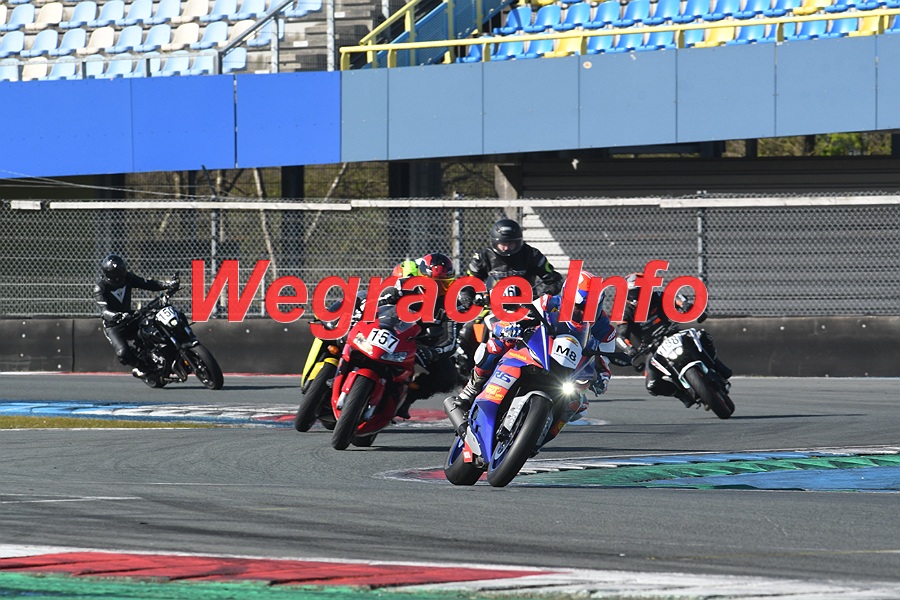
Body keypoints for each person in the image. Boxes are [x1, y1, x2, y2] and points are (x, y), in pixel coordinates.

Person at [445, 270, 615, 429]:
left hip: (569, 371)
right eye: (579, 306)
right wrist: (511, 327)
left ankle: (541, 434)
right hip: (540, 353)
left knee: (578, 405)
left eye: (590, 308)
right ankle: (472, 389)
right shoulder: (548, 303)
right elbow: (522, 316)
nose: (583, 312)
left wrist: (603, 378)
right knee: (496, 345)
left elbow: (604, 361)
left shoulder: (606, 329)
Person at [455, 217, 565, 379]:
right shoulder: (483, 256)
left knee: (551, 330)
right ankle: (467, 370)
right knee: (466, 329)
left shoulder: (532, 254)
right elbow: (469, 281)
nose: (507, 247)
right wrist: (468, 296)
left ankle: (549, 370)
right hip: (491, 307)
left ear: (519, 241)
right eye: (503, 244)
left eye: (511, 243)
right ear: (494, 242)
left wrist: (543, 296)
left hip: (527, 308)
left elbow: (554, 279)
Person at [617, 272, 732, 407]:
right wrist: (629, 349)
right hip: (652, 348)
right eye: (633, 293)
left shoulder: (658, 296)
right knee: (652, 385)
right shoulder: (624, 312)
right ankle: (683, 395)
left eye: (640, 291)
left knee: (702, 336)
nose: (636, 296)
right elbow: (621, 336)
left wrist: (688, 306)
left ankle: (717, 366)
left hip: (673, 333)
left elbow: (678, 299)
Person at [93, 254, 177, 378]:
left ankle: (165, 354)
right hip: (114, 325)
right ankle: (142, 368)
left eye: (123, 269)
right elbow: (104, 311)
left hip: (131, 317)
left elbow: (147, 284)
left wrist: (167, 285)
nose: (123, 272)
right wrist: (116, 316)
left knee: (154, 327)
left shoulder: (128, 277)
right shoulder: (101, 287)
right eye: (120, 271)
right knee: (122, 353)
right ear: (111, 274)